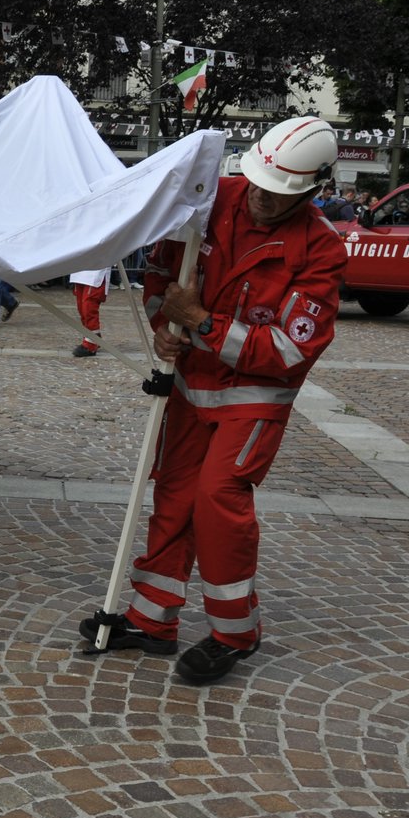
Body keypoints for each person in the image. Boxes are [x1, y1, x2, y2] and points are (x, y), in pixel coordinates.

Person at [80, 117, 348, 685]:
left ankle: (236, 633)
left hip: (253, 399)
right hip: (189, 387)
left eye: (280, 195)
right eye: (257, 185)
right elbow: (162, 272)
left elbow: (285, 352)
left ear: (313, 189)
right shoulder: (211, 198)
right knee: (173, 495)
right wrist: (163, 324)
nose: (262, 200)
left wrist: (199, 323)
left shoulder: (320, 249)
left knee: (216, 500)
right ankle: (152, 619)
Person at [68, 265, 110, 357]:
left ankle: (91, 344)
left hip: (96, 269)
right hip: (79, 269)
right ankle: (92, 337)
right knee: (81, 307)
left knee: (89, 307)